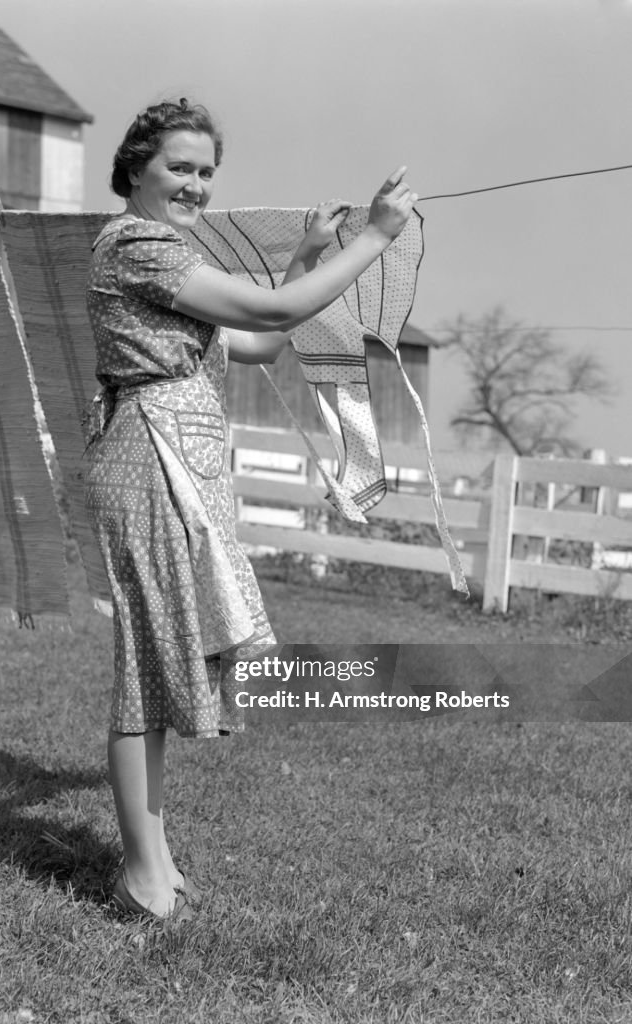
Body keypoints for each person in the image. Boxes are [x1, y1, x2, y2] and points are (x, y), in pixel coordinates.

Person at [85, 98, 416, 922]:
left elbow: (259, 340)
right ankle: (139, 872)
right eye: (179, 168)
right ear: (135, 168)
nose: (195, 185)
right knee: (148, 665)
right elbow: (270, 315)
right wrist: (374, 239)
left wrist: (306, 251)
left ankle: (151, 863)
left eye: (206, 172)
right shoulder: (138, 246)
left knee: (165, 665)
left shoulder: (168, 255)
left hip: (180, 457)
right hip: (150, 456)